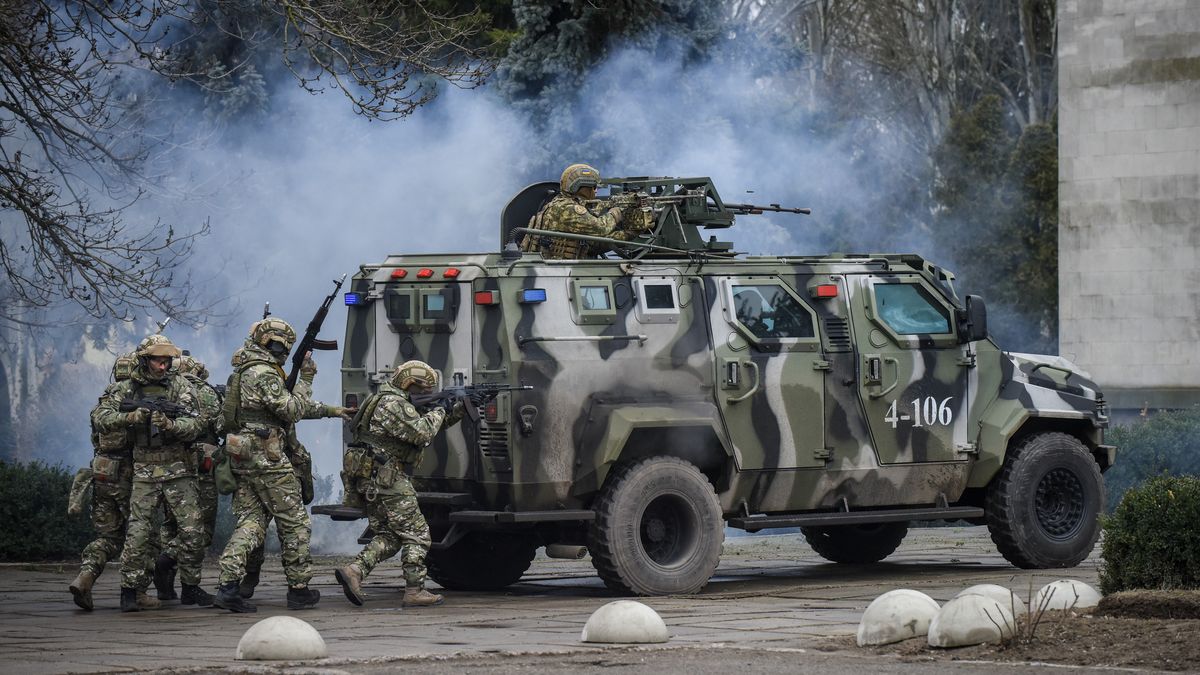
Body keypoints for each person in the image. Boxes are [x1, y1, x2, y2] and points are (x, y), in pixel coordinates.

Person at [213, 318, 351, 613]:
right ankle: (298, 589)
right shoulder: (264, 373)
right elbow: (292, 409)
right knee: (295, 522)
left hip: (245, 456)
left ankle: (228, 585)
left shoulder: (247, 370)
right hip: (267, 458)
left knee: (252, 523)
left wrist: (332, 411)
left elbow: (280, 408)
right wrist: (307, 379)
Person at [91, 335, 211, 612]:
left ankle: (191, 587)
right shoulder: (126, 389)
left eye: (167, 361)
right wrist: (129, 418)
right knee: (138, 533)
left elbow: (196, 423)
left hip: (178, 469)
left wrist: (171, 425)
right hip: (144, 469)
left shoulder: (180, 385)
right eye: (158, 360)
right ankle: (130, 591)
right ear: (145, 360)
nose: (163, 366)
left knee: (193, 530)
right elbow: (100, 417)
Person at [334, 360, 466, 608]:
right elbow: (423, 433)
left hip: (375, 478)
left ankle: (355, 571)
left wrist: (456, 409)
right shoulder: (394, 404)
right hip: (389, 479)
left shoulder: (382, 398)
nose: (425, 393)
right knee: (418, 535)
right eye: (422, 388)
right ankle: (414, 590)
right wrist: (440, 409)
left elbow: (424, 427)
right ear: (409, 383)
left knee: (390, 535)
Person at [69, 353, 161, 611]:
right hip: (127, 475)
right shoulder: (136, 402)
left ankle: (85, 577)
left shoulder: (103, 403)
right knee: (146, 535)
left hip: (101, 473)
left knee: (108, 536)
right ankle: (139, 590)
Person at [153, 354, 222, 601]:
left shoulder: (165, 390)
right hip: (201, 464)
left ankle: (166, 585)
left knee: (172, 524)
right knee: (199, 527)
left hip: (170, 465)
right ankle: (180, 575)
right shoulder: (203, 392)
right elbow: (220, 425)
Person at [519, 163, 646, 259]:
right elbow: (601, 228)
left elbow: (593, 244)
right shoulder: (568, 209)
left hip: (558, 267)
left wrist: (630, 233)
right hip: (559, 270)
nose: (596, 191)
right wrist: (617, 211)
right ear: (582, 188)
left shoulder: (558, 203)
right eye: (594, 187)